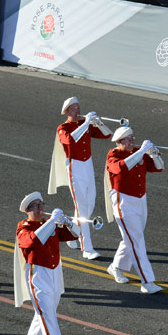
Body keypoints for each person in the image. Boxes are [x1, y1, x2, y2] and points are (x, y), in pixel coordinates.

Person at [13, 192, 81, 335]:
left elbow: (76, 235)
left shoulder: (48, 223)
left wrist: (68, 222)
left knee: (44, 313)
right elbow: (34, 240)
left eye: (42, 204)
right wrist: (53, 222)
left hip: (55, 272)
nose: (42, 208)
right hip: (38, 274)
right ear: (28, 211)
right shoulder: (23, 227)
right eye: (36, 206)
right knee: (49, 316)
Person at [48, 96, 112, 260]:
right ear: (67, 111)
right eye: (75, 108)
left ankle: (72, 231)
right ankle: (87, 249)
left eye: (78, 107)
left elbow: (107, 135)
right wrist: (86, 124)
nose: (78, 110)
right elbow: (70, 140)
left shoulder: (85, 124)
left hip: (88, 165)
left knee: (89, 204)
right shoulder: (63, 128)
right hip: (74, 167)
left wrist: (98, 122)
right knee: (82, 208)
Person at [103, 126, 164, 294]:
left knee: (132, 237)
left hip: (140, 200)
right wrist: (142, 151)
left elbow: (159, 167)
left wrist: (154, 154)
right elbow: (122, 168)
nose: (132, 142)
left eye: (132, 138)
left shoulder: (139, 152)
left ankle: (115, 266)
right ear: (119, 142)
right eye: (128, 139)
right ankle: (147, 281)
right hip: (124, 202)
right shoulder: (113, 156)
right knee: (136, 242)